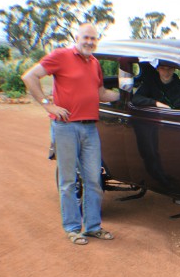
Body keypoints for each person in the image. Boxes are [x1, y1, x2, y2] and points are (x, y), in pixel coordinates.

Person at [22, 24, 119, 245]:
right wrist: (48, 105)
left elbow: (101, 93)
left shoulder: (94, 63)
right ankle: (73, 228)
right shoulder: (61, 56)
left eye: (93, 39)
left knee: (94, 179)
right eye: (86, 37)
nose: (89, 42)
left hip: (89, 128)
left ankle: (93, 227)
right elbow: (30, 77)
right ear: (77, 37)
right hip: (65, 127)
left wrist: (127, 93)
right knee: (68, 181)